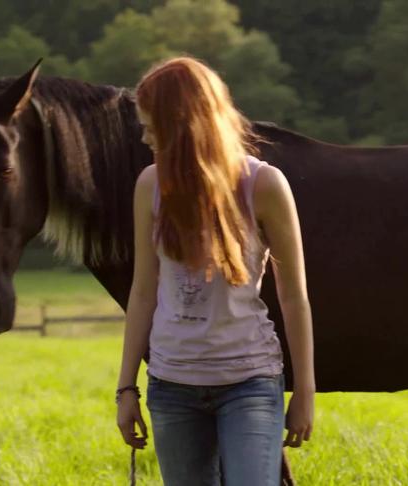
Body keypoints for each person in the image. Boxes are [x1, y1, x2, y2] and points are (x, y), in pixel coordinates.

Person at [115, 56, 316, 486]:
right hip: (171, 387)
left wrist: (304, 392)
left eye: (154, 128)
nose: (146, 138)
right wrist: (125, 388)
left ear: (185, 126)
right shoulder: (150, 186)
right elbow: (143, 292)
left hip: (250, 382)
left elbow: (294, 296)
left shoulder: (263, 185)